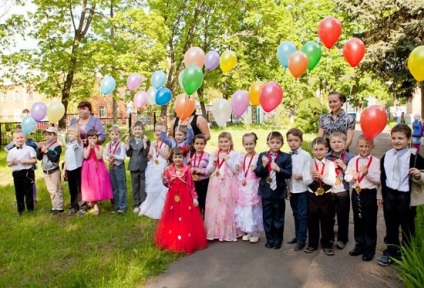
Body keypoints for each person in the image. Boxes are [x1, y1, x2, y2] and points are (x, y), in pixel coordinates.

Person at [377, 124, 424, 266]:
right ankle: (391, 250)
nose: (397, 141)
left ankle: (407, 252)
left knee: (407, 226)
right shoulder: (386, 156)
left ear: (409, 139)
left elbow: (422, 177)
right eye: (394, 138)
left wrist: (418, 176)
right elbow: (382, 178)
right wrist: (380, 195)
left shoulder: (415, 158)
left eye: (401, 138)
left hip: (405, 197)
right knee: (391, 224)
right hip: (389, 195)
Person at [154, 147, 207, 254]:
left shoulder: (187, 169)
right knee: (172, 217)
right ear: (172, 158)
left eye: (180, 157)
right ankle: (172, 239)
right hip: (172, 197)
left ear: (183, 158)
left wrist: (194, 197)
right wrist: (164, 180)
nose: (178, 159)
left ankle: (185, 239)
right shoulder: (168, 170)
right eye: (176, 157)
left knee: (185, 217)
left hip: (185, 197)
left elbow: (191, 185)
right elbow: (167, 184)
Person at [345, 135, 381, 261]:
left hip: (370, 194)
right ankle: (359, 245)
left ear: (372, 147)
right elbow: (347, 176)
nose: (364, 149)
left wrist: (368, 174)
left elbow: (378, 180)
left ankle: (370, 248)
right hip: (357, 192)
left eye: (367, 146)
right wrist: (353, 178)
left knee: (370, 221)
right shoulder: (353, 161)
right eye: (361, 146)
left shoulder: (376, 162)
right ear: (357, 147)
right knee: (358, 219)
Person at [254, 131, 292, 249]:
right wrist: (264, 165)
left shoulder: (286, 156)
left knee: (278, 217)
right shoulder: (262, 156)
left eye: (278, 142)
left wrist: (278, 169)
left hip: (279, 192)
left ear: (282, 144)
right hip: (266, 191)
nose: (275, 145)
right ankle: (269, 239)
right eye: (272, 142)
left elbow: (288, 174)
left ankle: (278, 240)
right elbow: (258, 173)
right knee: (267, 216)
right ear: (268, 143)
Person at [204, 132, 240, 242]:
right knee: (216, 206)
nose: (223, 144)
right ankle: (215, 231)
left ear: (231, 142)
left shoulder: (235, 154)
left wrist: (228, 159)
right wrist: (214, 164)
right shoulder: (214, 153)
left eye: (226, 141)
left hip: (229, 183)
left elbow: (236, 170)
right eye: (221, 142)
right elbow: (209, 170)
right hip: (216, 183)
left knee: (227, 206)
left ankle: (227, 231)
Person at [304, 137, 336, 255]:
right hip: (312, 196)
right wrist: (312, 177)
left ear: (327, 150)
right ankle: (312, 244)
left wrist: (322, 177)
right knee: (312, 220)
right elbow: (305, 180)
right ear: (312, 150)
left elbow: (332, 181)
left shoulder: (330, 164)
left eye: (321, 149)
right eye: (316, 149)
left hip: (326, 197)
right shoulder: (309, 163)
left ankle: (327, 244)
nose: (318, 152)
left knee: (327, 220)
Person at [326, 131, 354, 250]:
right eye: (334, 142)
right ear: (330, 143)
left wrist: (344, 167)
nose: (336, 144)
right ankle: (329, 237)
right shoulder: (326, 157)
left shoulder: (350, 158)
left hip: (343, 191)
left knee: (343, 216)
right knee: (329, 215)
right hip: (330, 190)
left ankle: (343, 238)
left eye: (339, 142)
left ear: (344, 143)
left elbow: (353, 174)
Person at [286, 128, 313, 251]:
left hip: (302, 190)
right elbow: (286, 174)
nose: (293, 143)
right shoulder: (287, 155)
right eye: (290, 140)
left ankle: (302, 239)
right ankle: (297, 236)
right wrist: (287, 188)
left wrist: (301, 176)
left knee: (302, 215)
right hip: (292, 190)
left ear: (301, 141)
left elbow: (310, 173)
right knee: (295, 214)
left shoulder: (306, 156)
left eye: (296, 140)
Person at [235, 132, 263, 243]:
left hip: (253, 187)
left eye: (251, 144)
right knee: (244, 208)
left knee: (253, 209)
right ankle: (247, 230)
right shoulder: (242, 156)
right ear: (243, 145)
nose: (248, 146)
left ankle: (255, 231)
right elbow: (240, 170)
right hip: (243, 186)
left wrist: (256, 168)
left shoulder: (258, 157)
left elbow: (261, 172)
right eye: (246, 144)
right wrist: (238, 167)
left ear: (255, 143)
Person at [139, 122, 169, 219]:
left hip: (162, 166)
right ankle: (150, 204)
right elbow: (150, 155)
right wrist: (150, 154)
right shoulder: (153, 142)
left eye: (159, 131)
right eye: (156, 130)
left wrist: (158, 149)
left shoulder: (166, 143)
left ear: (164, 132)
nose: (157, 132)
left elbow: (167, 156)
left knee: (161, 186)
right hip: (153, 166)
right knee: (153, 185)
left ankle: (161, 207)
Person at [81, 129, 113, 215]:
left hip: (99, 167)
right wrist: (89, 147)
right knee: (91, 185)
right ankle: (95, 205)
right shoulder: (85, 148)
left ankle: (111, 200)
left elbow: (99, 157)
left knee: (102, 182)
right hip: (88, 167)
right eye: (90, 138)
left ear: (97, 139)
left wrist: (94, 147)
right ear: (87, 139)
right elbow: (86, 156)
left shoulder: (100, 147)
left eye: (94, 138)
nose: (92, 140)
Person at [5, 124, 38, 203]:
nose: (20, 139)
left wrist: (26, 161)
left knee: (28, 191)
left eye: (21, 137)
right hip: (17, 173)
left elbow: (35, 160)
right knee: (18, 192)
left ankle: (30, 209)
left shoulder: (29, 149)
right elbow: (8, 164)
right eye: (17, 138)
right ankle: (20, 210)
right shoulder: (11, 151)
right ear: (13, 139)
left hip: (27, 172)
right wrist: (12, 163)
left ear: (25, 138)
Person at [37, 127, 64, 214]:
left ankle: (59, 207)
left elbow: (54, 159)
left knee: (57, 189)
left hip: (54, 170)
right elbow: (39, 157)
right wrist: (39, 149)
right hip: (46, 171)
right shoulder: (45, 145)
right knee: (51, 189)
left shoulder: (57, 146)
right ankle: (54, 206)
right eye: (46, 134)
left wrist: (46, 150)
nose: (47, 136)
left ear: (55, 135)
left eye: (50, 134)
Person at [126, 121, 150, 213]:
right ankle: (136, 203)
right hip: (133, 166)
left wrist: (144, 144)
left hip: (143, 165)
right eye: (135, 129)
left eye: (139, 129)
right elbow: (128, 154)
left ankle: (143, 203)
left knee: (143, 185)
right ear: (132, 131)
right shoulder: (131, 140)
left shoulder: (146, 140)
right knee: (135, 185)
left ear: (142, 130)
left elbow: (145, 153)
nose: (137, 131)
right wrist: (127, 145)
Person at [104, 125, 127, 214]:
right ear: (109, 135)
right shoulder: (107, 145)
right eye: (112, 134)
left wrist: (114, 156)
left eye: (116, 134)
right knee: (114, 187)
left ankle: (122, 206)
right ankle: (116, 205)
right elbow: (105, 155)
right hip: (112, 166)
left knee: (121, 186)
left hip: (119, 167)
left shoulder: (121, 144)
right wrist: (108, 158)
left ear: (119, 135)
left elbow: (123, 157)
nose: (114, 136)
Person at [62, 125, 84, 216]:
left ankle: (82, 206)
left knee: (80, 188)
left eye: (72, 133)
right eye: (69, 133)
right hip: (70, 169)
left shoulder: (78, 143)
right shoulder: (68, 144)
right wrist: (64, 170)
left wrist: (77, 129)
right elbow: (66, 158)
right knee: (72, 188)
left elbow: (78, 138)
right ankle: (74, 206)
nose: (70, 135)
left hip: (77, 168)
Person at [190, 134, 210, 218]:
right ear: (193, 144)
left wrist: (202, 172)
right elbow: (187, 167)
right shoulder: (191, 156)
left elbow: (210, 170)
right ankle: (197, 219)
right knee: (195, 201)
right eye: (197, 143)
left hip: (204, 182)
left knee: (203, 201)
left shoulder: (208, 156)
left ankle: (205, 218)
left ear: (205, 144)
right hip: (193, 182)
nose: (199, 146)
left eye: (201, 144)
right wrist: (191, 171)